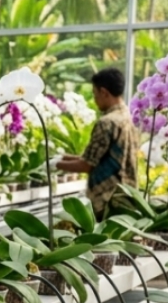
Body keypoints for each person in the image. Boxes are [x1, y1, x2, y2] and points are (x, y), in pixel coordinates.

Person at [54, 67, 139, 218]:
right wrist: (63, 157)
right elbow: (97, 159)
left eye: (95, 94)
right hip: (127, 197)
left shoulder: (106, 123)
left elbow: (87, 165)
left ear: (104, 92)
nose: (95, 99)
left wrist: (55, 165)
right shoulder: (128, 117)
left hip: (107, 201)